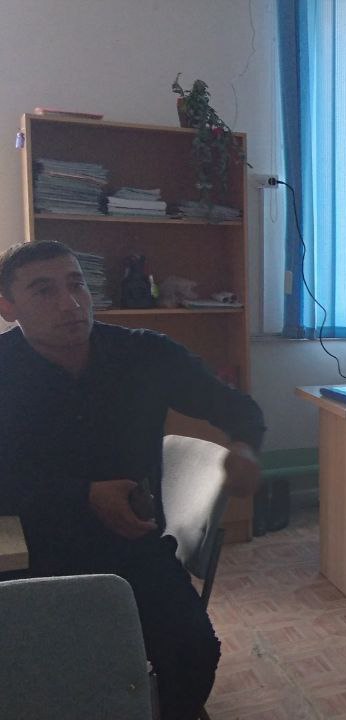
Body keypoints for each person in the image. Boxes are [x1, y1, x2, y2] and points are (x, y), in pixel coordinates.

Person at [0, 240, 266, 720]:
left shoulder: (144, 354)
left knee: (195, 652)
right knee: (35, 673)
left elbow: (238, 409)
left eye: (77, 284)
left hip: (134, 546)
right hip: (34, 550)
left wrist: (245, 448)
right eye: (43, 291)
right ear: (7, 307)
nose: (70, 303)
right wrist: (82, 495)